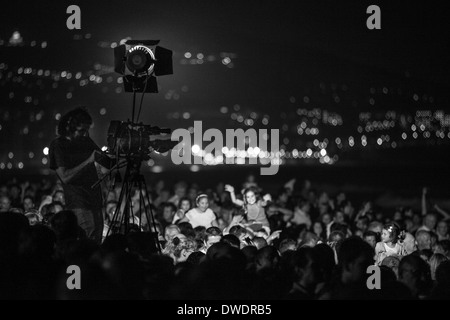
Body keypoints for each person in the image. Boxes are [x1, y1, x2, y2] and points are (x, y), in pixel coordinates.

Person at [48, 107, 104, 244]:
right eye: (81, 131)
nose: (85, 134)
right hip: (79, 202)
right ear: (69, 127)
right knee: (87, 243)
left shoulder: (86, 141)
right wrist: (89, 161)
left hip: (96, 201)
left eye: (87, 130)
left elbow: (102, 160)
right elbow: (65, 177)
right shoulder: (58, 145)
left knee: (97, 241)